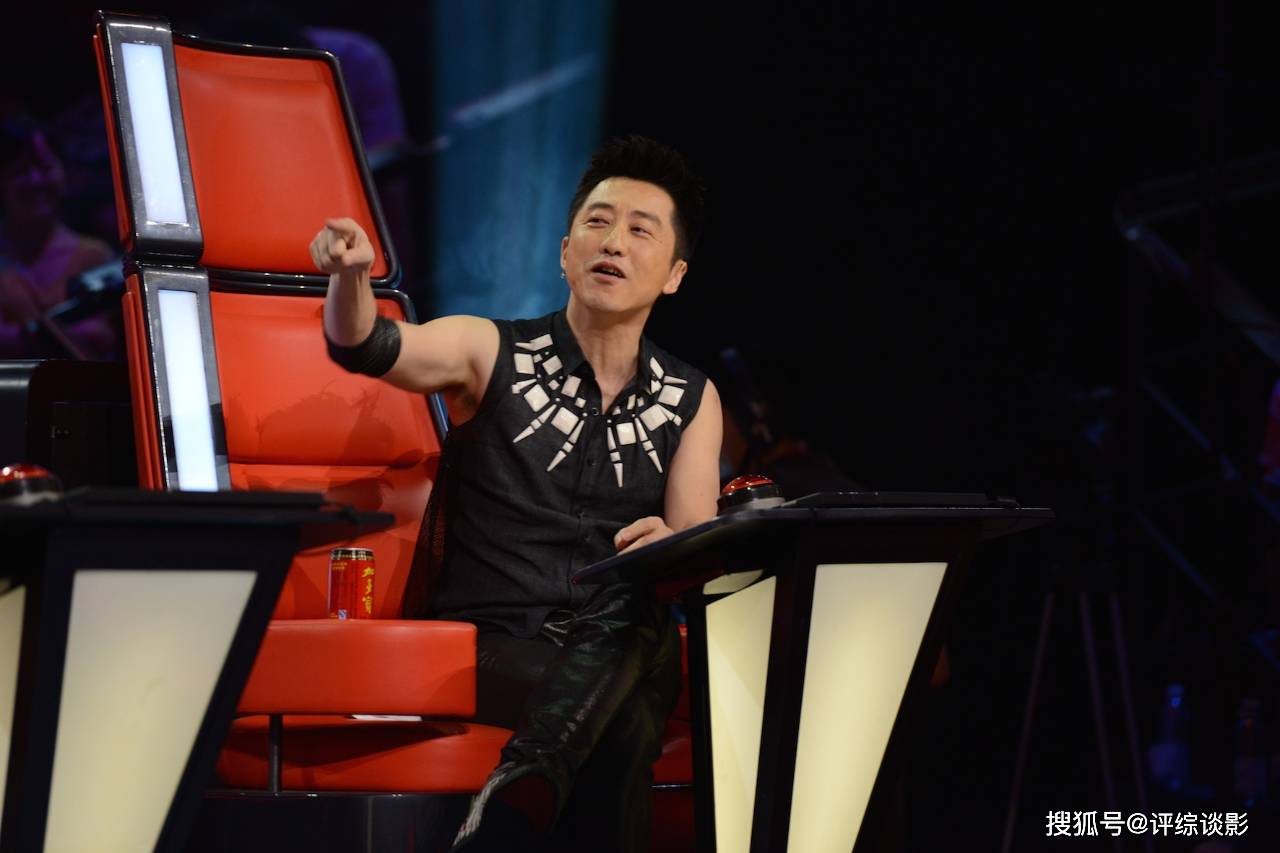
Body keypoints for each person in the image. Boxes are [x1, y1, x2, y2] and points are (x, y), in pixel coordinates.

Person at [313, 135, 721, 851]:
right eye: (597, 222)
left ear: (674, 275)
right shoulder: (485, 348)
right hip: (491, 644)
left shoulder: (692, 398)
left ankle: (516, 797)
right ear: (564, 252)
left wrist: (673, 548)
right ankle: (516, 796)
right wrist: (351, 279)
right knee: (624, 720)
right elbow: (369, 345)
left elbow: (694, 560)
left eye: (639, 230)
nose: (613, 242)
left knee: (635, 617)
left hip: (619, 636)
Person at [0, 116, 117, 359]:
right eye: (19, 171)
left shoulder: (93, 255)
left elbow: (103, 337)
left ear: (65, 174)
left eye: (45, 168)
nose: (35, 181)